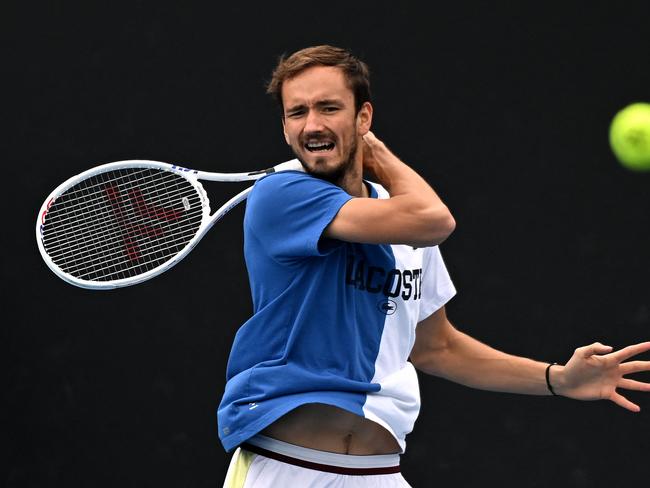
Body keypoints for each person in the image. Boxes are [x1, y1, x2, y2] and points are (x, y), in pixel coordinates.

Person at [218, 45, 650, 487]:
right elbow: (434, 219)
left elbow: (438, 347)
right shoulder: (281, 196)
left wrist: (557, 379)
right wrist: (380, 156)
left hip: (379, 473)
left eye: (329, 108)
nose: (313, 124)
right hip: (286, 469)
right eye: (298, 113)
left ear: (363, 118)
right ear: (285, 127)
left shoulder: (398, 221)